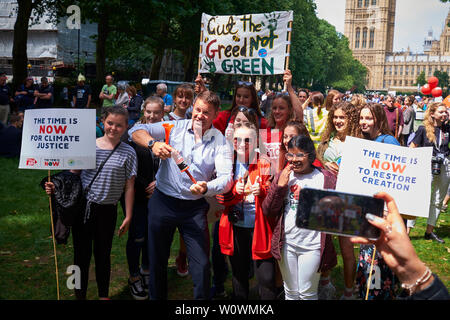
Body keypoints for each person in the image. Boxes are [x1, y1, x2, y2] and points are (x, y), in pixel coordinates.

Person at [129, 90, 233, 300]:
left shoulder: (220, 141)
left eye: (206, 112)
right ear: (192, 108)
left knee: (202, 264)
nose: (200, 115)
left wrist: (207, 187)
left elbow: (226, 178)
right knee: (157, 260)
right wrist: (154, 144)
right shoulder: (174, 127)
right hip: (163, 201)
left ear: (215, 115)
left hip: (193, 208)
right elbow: (136, 129)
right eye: (197, 110)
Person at [45, 106, 137, 300]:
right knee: (80, 256)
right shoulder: (88, 146)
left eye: (119, 125)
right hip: (84, 209)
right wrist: (55, 187)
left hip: (108, 211)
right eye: (110, 123)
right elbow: (72, 176)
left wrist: (128, 215)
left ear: (126, 126)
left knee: (103, 255)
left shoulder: (129, 152)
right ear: (103, 122)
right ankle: (79, 295)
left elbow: (129, 187)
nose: (113, 128)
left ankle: (104, 295)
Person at [262, 135, 337, 300]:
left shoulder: (325, 178)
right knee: (291, 293)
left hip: (313, 246)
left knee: (307, 294)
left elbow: (338, 208)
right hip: (287, 244)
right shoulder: (284, 175)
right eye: (290, 155)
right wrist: (280, 186)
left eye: (299, 155)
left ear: (310, 156)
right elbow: (268, 210)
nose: (294, 160)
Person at [350, 192, 449, 300]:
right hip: (371, 221)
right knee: (370, 268)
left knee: (387, 267)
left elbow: (412, 211)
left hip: (394, 219)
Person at [218, 125, 277, 300]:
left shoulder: (265, 162)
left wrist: (264, 190)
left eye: (247, 140)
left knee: (266, 276)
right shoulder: (227, 162)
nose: (242, 143)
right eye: (237, 139)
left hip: (260, 228)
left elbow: (274, 196)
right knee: (238, 274)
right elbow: (221, 197)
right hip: (234, 227)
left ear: (256, 142)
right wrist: (235, 191)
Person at [353, 103, 400, 300]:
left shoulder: (388, 141)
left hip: (384, 215)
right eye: (362, 118)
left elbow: (398, 176)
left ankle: (379, 294)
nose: (364, 122)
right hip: (367, 212)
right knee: (367, 260)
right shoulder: (363, 141)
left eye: (368, 118)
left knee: (379, 262)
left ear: (379, 119)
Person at [316, 101, 359, 300]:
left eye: (343, 117)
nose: (338, 121)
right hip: (327, 197)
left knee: (347, 248)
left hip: (350, 200)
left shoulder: (360, 143)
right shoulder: (326, 141)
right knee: (324, 243)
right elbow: (317, 164)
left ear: (351, 119)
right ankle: (325, 281)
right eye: (336, 117)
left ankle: (349, 291)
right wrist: (324, 164)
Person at [124, 96, 164, 300]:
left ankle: (147, 270)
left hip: (159, 193)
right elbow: (126, 166)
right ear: (143, 111)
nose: (152, 116)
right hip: (137, 194)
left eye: (156, 112)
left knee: (151, 235)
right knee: (137, 236)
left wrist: (159, 183)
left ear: (163, 114)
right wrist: (143, 185)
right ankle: (133, 276)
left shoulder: (167, 134)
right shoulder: (132, 134)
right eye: (149, 111)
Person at [408, 102, 449, 244]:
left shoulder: (447, 128)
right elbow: (412, 148)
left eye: (446, 112)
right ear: (432, 114)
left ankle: (429, 232)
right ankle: (407, 231)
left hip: (444, 166)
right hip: (426, 165)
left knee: (438, 199)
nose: (444, 114)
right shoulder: (422, 129)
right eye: (441, 112)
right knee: (418, 198)